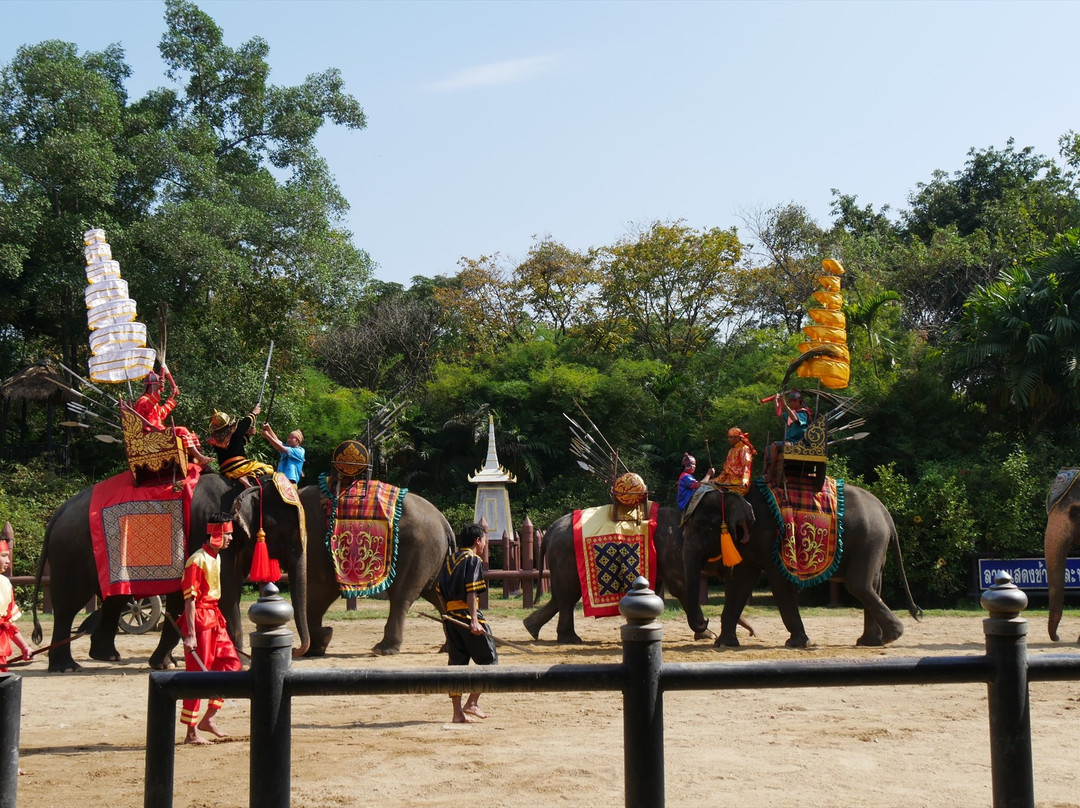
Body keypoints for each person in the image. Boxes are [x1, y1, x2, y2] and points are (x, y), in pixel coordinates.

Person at [179, 512, 243, 744]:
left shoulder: (214, 557)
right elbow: (190, 599)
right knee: (197, 675)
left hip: (214, 617)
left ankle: (209, 718)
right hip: (200, 620)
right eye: (227, 535)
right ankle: (191, 732)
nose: (230, 539)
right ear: (217, 534)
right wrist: (191, 634)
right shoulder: (197, 560)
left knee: (231, 663)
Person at [435, 523, 497, 724]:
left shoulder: (449, 560)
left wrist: (447, 614)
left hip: (452, 619)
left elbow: (439, 592)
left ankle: (457, 713)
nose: (485, 544)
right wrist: (475, 621)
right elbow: (471, 591)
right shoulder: (473, 560)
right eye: (484, 540)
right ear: (477, 540)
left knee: (456, 666)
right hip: (467, 618)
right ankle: (472, 703)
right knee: (490, 662)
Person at [134, 371, 213, 466]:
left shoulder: (151, 401)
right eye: (157, 389)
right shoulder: (143, 400)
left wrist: (172, 397)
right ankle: (199, 457)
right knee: (182, 430)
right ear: (152, 387)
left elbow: (161, 414)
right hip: (151, 435)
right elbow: (147, 407)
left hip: (158, 432)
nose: (159, 391)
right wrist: (156, 391)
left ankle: (195, 458)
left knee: (190, 435)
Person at [207, 403, 274, 486]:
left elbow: (235, 445)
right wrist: (254, 413)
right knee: (268, 468)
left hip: (225, 470)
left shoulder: (216, 439)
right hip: (238, 466)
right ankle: (247, 478)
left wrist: (247, 435)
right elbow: (244, 424)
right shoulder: (233, 431)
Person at [0, 526, 33, 671]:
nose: (7, 560)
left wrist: (24, 647)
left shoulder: (5, 584)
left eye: (8, 555)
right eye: (3, 555)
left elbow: (8, 623)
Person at [715, 427, 757, 495]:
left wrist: (745, 480)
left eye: (731, 437)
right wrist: (717, 480)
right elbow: (726, 469)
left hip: (738, 482)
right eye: (728, 437)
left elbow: (747, 465)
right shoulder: (731, 451)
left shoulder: (744, 449)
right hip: (727, 481)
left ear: (737, 438)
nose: (729, 439)